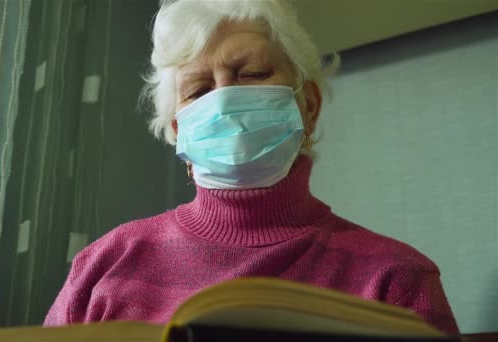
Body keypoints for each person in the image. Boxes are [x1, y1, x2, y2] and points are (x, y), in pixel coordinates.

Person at [45, 0, 459, 335]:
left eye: (252, 74)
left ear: (308, 105)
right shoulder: (105, 263)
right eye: (199, 90)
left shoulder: (397, 280)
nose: (225, 104)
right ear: (178, 129)